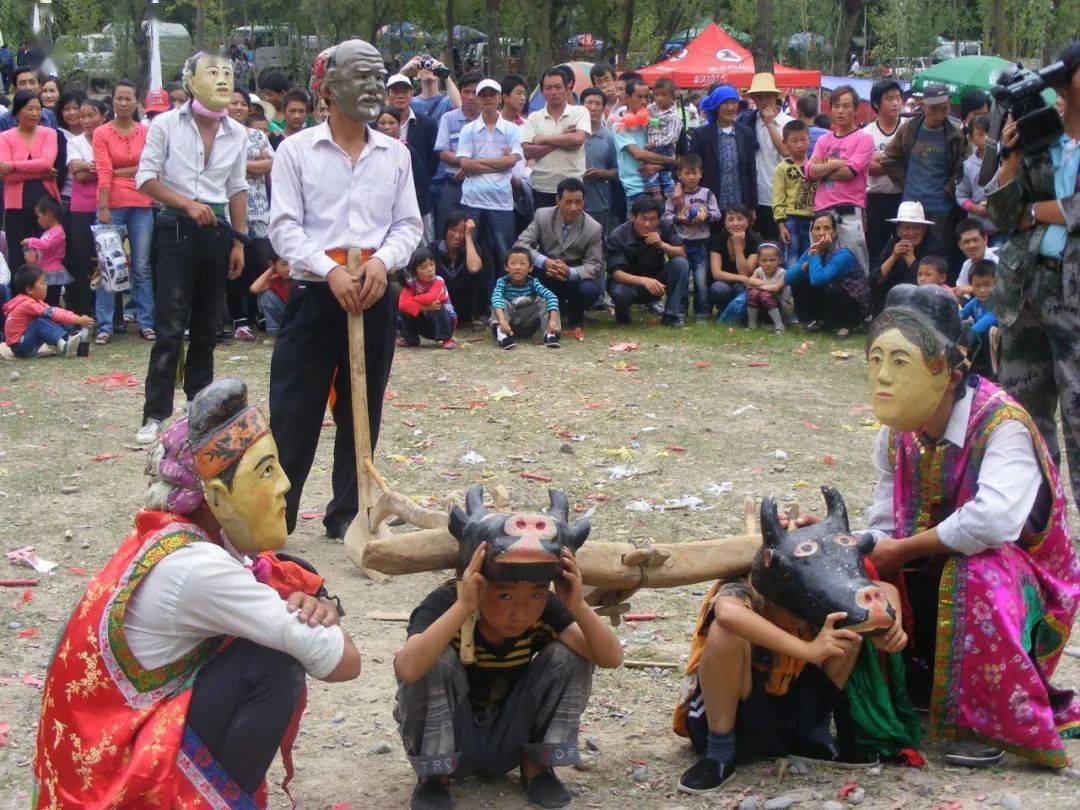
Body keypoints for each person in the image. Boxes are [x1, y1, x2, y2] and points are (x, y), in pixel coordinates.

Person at [32, 377, 362, 807]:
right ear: (217, 497)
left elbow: (283, 579)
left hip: (96, 757)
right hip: (104, 783)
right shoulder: (198, 570)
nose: (284, 485)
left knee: (285, 587)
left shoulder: (178, 537)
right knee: (274, 666)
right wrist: (315, 619)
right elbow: (344, 662)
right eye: (265, 472)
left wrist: (317, 603)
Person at [862, 283, 1080, 769]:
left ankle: (987, 720)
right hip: (932, 557)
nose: (882, 378)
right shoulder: (899, 428)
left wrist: (903, 549)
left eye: (901, 362)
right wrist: (863, 545)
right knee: (864, 568)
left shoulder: (1001, 423)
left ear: (951, 368)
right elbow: (883, 518)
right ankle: (909, 691)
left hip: (1023, 580)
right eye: (876, 359)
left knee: (974, 571)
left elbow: (993, 522)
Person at [268, 39, 422, 540]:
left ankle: (350, 514)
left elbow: (408, 225)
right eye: (363, 77)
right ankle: (275, 519)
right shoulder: (295, 151)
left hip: (375, 295)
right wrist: (329, 270)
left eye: (380, 77)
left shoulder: (395, 155)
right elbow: (284, 227)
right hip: (316, 294)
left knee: (363, 408)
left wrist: (382, 262)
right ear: (330, 88)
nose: (376, 87)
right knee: (295, 410)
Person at [395, 486, 623, 810]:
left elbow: (610, 657)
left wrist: (576, 605)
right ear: (476, 581)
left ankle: (538, 767)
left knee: (574, 656)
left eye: (536, 594)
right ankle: (434, 776)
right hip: (451, 736)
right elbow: (407, 669)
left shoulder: (547, 610)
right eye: (504, 595)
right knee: (432, 659)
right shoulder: (446, 604)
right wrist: (463, 607)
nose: (521, 611)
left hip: (511, 738)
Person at [673, 552, 900, 794]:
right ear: (772, 595)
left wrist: (892, 625)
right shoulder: (743, 584)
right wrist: (809, 650)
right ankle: (719, 753)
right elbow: (727, 614)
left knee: (849, 615)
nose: (805, 619)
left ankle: (813, 736)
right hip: (741, 717)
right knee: (725, 631)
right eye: (796, 610)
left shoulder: (818, 585)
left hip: (791, 713)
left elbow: (883, 588)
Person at [134, 52, 249, 445]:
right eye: (212, 72)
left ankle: (200, 408)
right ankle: (154, 413)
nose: (222, 80)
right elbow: (145, 179)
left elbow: (237, 189)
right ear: (190, 79)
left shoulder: (238, 132)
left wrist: (238, 240)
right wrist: (186, 203)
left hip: (216, 231)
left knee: (207, 327)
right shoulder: (165, 124)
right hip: (175, 226)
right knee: (169, 327)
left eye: (228, 74)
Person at [985, 40, 1080, 510]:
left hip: (1075, 300)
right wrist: (1012, 155)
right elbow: (1003, 215)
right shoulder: (1042, 139)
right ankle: (1037, 531)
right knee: (1023, 421)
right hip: (1025, 294)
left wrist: (1039, 211)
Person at [94, 79, 155, 344]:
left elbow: (149, 166)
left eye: (128, 98)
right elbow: (103, 171)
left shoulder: (146, 131)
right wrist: (104, 206)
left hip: (142, 203)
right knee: (109, 265)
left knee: (142, 266)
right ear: (112, 101)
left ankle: (147, 322)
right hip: (112, 204)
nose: (123, 102)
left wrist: (121, 172)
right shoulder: (102, 133)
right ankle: (105, 325)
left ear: (136, 102)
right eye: (119, 98)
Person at [881, 82, 965, 261]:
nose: (940, 114)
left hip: (941, 207)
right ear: (924, 105)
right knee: (907, 255)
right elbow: (888, 158)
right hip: (911, 207)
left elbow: (961, 168)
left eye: (944, 109)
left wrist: (948, 189)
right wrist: (907, 183)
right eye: (934, 109)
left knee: (938, 258)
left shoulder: (955, 135)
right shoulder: (910, 129)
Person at [515, 176, 604, 331]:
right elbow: (521, 245)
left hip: (572, 276)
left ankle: (574, 315)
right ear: (557, 199)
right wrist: (545, 262)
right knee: (518, 267)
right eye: (568, 202)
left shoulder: (593, 228)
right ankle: (528, 313)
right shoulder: (542, 215)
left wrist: (570, 272)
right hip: (544, 272)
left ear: (584, 201)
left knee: (589, 290)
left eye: (578, 202)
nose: (573, 208)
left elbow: (595, 264)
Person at [457, 78, 522, 284]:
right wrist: (500, 162)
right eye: (483, 95)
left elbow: (512, 161)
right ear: (477, 98)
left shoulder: (512, 129)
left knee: (504, 252)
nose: (487, 99)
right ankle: (476, 304)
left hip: (501, 200)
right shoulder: (468, 130)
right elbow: (465, 164)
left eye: (491, 95)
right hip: (472, 200)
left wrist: (481, 162)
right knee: (471, 250)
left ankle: (507, 300)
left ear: (499, 98)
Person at [807, 85, 874, 272]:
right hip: (822, 211)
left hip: (849, 210)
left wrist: (824, 166)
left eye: (846, 106)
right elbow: (810, 172)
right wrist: (838, 163)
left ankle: (858, 300)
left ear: (855, 109)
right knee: (819, 260)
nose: (840, 111)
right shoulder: (823, 140)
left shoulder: (864, 139)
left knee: (855, 262)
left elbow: (850, 172)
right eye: (836, 106)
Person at [225, 88, 274, 340]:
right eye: (233, 103)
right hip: (228, 209)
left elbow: (270, 165)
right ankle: (238, 317)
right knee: (235, 265)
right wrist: (252, 167)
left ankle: (259, 313)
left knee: (259, 261)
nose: (239, 107)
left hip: (259, 209)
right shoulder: (219, 134)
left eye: (243, 104)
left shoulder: (257, 135)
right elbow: (220, 168)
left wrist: (241, 167)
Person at [0, 90, 63, 272]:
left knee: (48, 256)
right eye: (30, 109)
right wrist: (41, 173)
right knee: (19, 258)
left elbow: (47, 162)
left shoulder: (49, 133)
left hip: (46, 204)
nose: (36, 113)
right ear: (18, 112)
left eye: (38, 109)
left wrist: (12, 165)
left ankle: (45, 298)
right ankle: (19, 299)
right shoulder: (5, 137)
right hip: (16, 207)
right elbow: (5, 175)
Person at [786, 210, 872, 334]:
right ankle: (820, 320)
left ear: (834, 232)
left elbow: (818, 280)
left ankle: (846, 324)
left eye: (827, 228)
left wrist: (815, 255)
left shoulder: (844, 254)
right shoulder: (811, 250)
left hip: (855, 307)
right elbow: (788, 279)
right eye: (817, 228)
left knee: (832, 286)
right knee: (799, 280)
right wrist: (804, 266)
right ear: (811, 232)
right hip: (831, 301)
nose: (822, 233)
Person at [607, 195, 689, 326]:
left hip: (656, 283)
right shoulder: (618, 235)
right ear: (632, 216)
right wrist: (644, 281)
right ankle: (622, 314)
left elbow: (683, 253)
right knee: (620, 292)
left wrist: (662, 245)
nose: (647, 224)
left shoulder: (664, 226)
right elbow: (617, 274)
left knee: (680, 264)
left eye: (652, 219)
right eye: (643, 218)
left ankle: (671, 314)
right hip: (628, 284)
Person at [521, 68, 590, 210]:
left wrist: (542, 139)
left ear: (567, 88)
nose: (554, 92)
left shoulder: (580, 112)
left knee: (572, 231)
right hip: (542, 187)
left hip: (573, 188)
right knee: (545, 230)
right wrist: (563, 137)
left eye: (558, 87)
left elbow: (577, 140)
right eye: (549, 88)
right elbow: (528, 152)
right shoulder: (534, 117)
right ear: (542, 90)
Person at [665, 153, 721, 320]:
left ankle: (702, 312)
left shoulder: (706, 193)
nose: (691, 177)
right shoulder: (674, 196)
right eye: (687, 173)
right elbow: (665, 217)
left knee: (701, 280)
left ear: (701, 173)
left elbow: (717, 213)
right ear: (679, 174)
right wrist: (678, 218)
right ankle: (680, 311)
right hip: (681, 245)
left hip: (702, 244)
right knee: (682, 280)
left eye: (695, 173)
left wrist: (706, 216)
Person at [64, 98, 106, 317]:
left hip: (108, 204)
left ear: (103, 116)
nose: (86, 120)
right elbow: (78, 175)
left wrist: (87, 165)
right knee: (82, 258)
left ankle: (109, 315)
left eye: (92, 115)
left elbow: (120, 169)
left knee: (106, 258)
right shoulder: (75, 141)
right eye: (83, 116)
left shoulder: (109, 136)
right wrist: (103, 168)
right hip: (80, 208)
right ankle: (83, 311)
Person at [739, 73, 792, 241]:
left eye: (767, 96)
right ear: (753, 98)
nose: (763, 101)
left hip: (780, 197)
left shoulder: (788, 123)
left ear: (775, 96)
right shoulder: (746, 121)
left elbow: (787, 151)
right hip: (755, 196)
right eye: (758, 97)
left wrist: (769, 123)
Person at [690, 85, 756, 216]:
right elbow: (693, 166)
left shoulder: (746, 133)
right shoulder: (702, 135)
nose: (730, 108)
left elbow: (751, 171)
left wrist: (752, 206)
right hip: (710, 204)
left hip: (739, 203)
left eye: (733, 103)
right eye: (725, 103)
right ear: (716, 106)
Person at [612, 78, 676, 210]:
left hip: (660, 184)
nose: (644, 101)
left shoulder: (651, 120)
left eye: (647, 97)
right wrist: (668, 160)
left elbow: (669, 145)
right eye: (639, 97)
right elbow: (637, 154)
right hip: (636, 189)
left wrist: (659, 165)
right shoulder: (619, 124)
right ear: (627, 97)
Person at [2, 264, 91, 357]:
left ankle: (71, 339)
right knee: (40, 321)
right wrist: (78, 320)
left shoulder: (35, 302)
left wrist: (77, 317)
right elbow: (53, 313)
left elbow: (56, 311)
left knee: (53, 316)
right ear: (29, 289)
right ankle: (64, 345)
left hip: (27, 341)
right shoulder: (27, 304)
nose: (46, 286)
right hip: (20, 347)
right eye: (42, 283)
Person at [433, 72, 481, 237]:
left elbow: (499, 154)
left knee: (476, 235)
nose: (470, 97)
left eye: (474, 92)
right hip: (453, 184)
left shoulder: (491, 120)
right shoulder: (448, 118)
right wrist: (466, 163)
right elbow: (443, 153)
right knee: (446, 231)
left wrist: (471, 168)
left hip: (482, 184)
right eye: (466, 92)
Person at [869, 201, 940, 312]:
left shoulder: (933, 246)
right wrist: (893, 257)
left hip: (921, 302)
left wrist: (911, 260)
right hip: (890, 300)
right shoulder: (893, 244)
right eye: (906, 228)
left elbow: (929, 284)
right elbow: (873, 280)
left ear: (924, 230)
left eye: (916, 227)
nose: (911, 232)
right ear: (899, 231)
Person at [863, 79, 904, 262]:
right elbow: (867, 167)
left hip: (903, 197)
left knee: (902, 245)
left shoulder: (908, 127)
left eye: (898, 97)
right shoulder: (867, 132)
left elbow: (910, 162)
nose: (896, 102)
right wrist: (895, 161)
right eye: (889, 98)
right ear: (876, 104)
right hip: (876, 199)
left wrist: (881, 158)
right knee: (875, 245)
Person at [490, 246, 561, 348]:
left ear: (530, 267)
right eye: (513, 263)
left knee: (544, 300)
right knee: (500, 301)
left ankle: (550, 335)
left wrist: (553, 321)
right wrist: (502, 320)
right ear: (506, 267)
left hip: (529, 323)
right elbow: (496, 298)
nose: (517, 267)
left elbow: (552, 297)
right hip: (509, 326)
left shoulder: (533, 282)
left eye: (522, 264)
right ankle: (502, 337)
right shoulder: (502, 282)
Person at [772, 120, 815, 273]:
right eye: (794, 140)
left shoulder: (815, 165)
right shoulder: (782, 168)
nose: (799, 145)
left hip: (811, 219)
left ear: (809, 139)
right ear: (785, 142)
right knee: (791, 257)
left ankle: (806, 292)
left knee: (810, 255)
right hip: (790, 219)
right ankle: (790, 292)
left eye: (803, 139)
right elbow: (778, 197)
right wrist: (780, 223)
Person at [706, 203, 761, 316]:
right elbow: (716, 273)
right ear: (725, 223)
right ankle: (725, 312)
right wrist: (742, 278)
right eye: (731, 220)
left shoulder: (755, 240)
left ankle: (738, 313)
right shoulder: (717, 239)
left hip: (744, 285)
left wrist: (738, 247)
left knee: (740, 289)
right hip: (724, 282)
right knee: (718, 289)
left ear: (747, 221)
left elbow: (746, 272)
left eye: (740, 219)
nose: (736, 223)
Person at [398, 246, 457, 349]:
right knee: (404, 311)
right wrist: (424, 308)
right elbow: (402, 304)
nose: (430, 270)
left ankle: (447, 338)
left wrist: (413, 300)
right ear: (414, 272)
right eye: (424, 267)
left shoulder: (439, 281)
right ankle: (411, 339)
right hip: (426, 325)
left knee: (439, 306)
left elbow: (432, 298)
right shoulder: (412, 284)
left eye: (432, 264)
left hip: (445, 322)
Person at [580, 88, 618, 238]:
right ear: (581, 105)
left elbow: (617, 171)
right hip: (570, 202)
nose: (593, 108)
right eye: (589, 103)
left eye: (598, 104)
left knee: (596, 245)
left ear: (603, 108)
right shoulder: (571, 134)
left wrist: (601, 173)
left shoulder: (608, 138)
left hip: (598, 203)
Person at [954, 114, 996, 243]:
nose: (987, 138)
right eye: (981, 134)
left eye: (990, 133)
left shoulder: (1004, 159)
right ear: (972, 138)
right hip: (977, 229)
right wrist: (974, 208)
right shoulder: (967, 166)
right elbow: (961, 195)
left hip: (1002, 227)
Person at [22, 195, 68, 302]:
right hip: (44, 270)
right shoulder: (49, 231)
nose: (38, 220)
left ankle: (53, 318)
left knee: (51, 300)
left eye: (39, 217)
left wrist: (31, 241)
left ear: (48, 215)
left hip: (52, 272)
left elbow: (46, 245)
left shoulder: (58, 231)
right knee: (44, 300)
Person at [644, 77, 681, 197]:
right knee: (650, 174)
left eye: (664, 95)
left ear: (671, 96)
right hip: (652, 147)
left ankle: (670, 195)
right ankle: (657, 195)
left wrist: (656, 144)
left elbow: (672, 137)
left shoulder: (674, 116)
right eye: (656, 95)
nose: (659, 98)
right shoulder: (652, 109)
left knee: (665, 174)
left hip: (664, 148)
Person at [961, 259, 998, 379]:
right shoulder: (975, 302)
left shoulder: (998, 303)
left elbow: (981, 325)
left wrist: (963, 340)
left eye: (987, 285)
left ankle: (994, 376)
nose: (982, 290)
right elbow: (961, 314)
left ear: (997, 283)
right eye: (977, 286)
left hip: (996, 348)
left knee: (986, 332)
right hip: (979, 343)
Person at [403, 54, 462, 123]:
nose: (428, 67)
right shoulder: (411, 103)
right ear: (417, 75)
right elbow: (391, 109)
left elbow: (459, 107)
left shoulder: (446, 101)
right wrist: (403, 71)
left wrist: (445, 74)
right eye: (423, 65)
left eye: (431, 65)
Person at [745, 242, 787, 331]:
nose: (768, 263)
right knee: (753, 293)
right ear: (758, 261)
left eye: (772, 260)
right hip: (763, 307)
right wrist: (767, 286)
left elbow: (775, 288)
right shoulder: (759, 270)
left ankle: (779, 325)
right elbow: (751, 280)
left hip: (780, 307)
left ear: (779, 260)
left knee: (764, 294)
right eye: (764, 260)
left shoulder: (782, 273)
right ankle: (752, 325)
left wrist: (758, 285)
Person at [952, 218, 997, 298]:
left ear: (985, 239)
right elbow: (961, 292)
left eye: (975, 240)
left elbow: (1006, 290)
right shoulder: (967, 264)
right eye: (966, 242)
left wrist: (972, 289)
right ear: (960, 245)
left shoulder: (998, 257)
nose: (971, 245)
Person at [249, 250, 290, 337]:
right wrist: (271, 269)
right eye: (284, 265)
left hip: (297, 316)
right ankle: (274, 332)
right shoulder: (274, 279)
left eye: (292, 264)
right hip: (283, 314)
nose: (289, 269)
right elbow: (254, 289)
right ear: (273, 264)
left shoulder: (299, 278)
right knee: (265, 295)